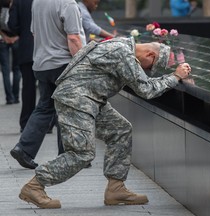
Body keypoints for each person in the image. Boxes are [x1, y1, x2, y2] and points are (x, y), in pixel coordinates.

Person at [18, 37, 191, 209]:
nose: (147, 70)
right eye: (150, 66)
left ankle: (116, 189)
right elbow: (146, 89)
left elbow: (143, 82)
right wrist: (175, 77)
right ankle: (35, 185)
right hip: (76, 100)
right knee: (81, 153)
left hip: (91, 99)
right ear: (150, 54)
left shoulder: (122, 45)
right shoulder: (123, 54)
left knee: (120, 130)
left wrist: (172, 77)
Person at [9, 0, 86, 169]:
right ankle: (68, 155)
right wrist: (83, 62)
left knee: (45, 107)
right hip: (63, 64)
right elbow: (73, 37)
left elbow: (34, 33)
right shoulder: (68, 3)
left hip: (42, 63)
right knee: (67, 109)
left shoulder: (38, 2)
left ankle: (24, 149)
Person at [8, 0, 36, 132]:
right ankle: (47, 122)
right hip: (45, 49)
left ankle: (26, 122)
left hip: (26, 49)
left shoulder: (18, 1)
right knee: (48, 88)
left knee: (28, 88)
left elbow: (12, 25)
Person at [0, 0, 21, 105]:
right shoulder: (18, 4)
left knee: (5, 69)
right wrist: (16, 37)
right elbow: (23, 22)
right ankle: (16, 96)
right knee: (16, 68)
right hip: (16, 38)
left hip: (3, 39)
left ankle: (9, 97)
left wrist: (5, 37)